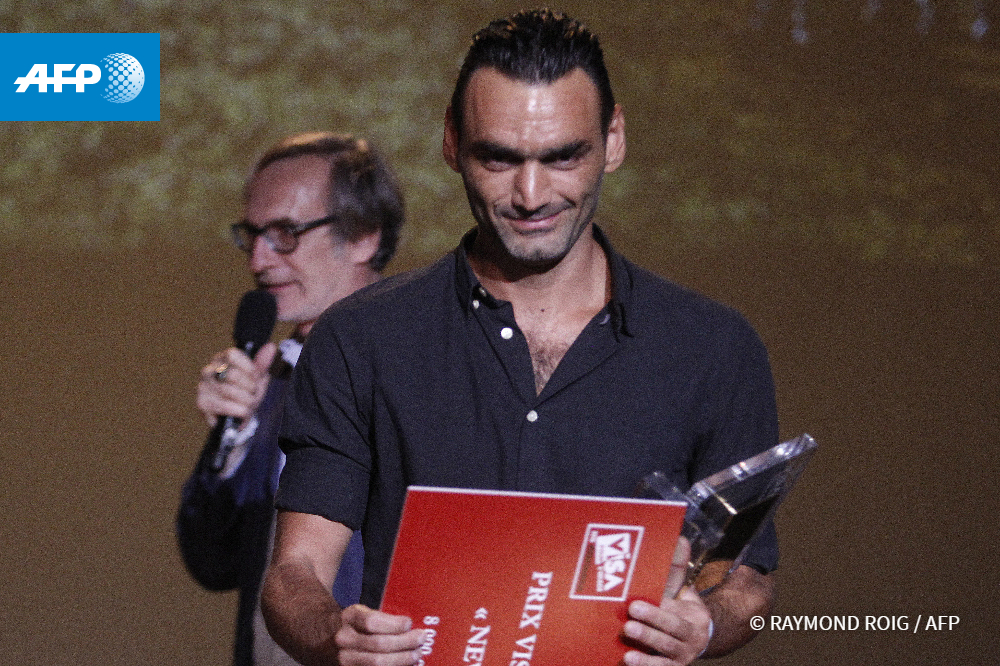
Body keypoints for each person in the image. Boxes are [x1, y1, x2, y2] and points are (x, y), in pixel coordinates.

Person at [263, 10, 777, 666]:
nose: (531, 195)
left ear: (614, 139)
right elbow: (296, 572)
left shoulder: (713, 348)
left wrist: (704, 625)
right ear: (452, 142)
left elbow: (746, 578)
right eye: (499, 158)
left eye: (563, 156)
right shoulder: (359, 339)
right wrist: (333, 635)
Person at [176, 132, 405, 666]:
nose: (258, 259)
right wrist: (233, 439)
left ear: (363, 237)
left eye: (285, 234)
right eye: (251, 235)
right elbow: (214, 563)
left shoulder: (421, 369)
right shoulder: (273, 376)